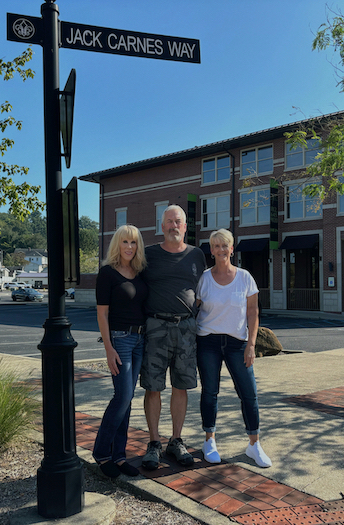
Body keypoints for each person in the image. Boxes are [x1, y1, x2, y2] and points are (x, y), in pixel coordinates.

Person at [196, 229, 272, 468]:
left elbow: (253, 313)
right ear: (211, 250)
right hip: (207, 341)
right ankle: (210, 440)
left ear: (231, 249)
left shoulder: (245, 278)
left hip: (237, 344)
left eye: (224, 246)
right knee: (210, 392)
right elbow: (194, 308)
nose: (220, 250)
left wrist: (251, 344)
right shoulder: (205, 279)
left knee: (249, 393)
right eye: (216, 246)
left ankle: (254, 444)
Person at [140, 205, 206, 470]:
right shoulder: (148, 255)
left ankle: (176, 440)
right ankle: (154, 442)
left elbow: (205, 287)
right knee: (153, 386)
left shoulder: (197, 255)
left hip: (187, 329)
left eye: (178, 221)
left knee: (182, 385)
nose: (173, 226)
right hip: (156, 326)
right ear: (162, 225)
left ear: (185, 226)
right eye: (168, 222)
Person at [93, 224, 148, 479]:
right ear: (117, 244)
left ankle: (119, 455)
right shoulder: (107, 273)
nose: (129, 247)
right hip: (120, 340)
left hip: (139, 340)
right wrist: (108, 349)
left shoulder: (138, 272)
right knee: (122, 396)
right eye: (125, 242)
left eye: (134, 242)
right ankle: (102, 454)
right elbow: (102, 313)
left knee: (128, 400)